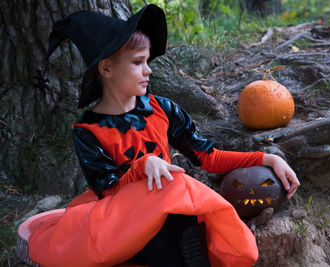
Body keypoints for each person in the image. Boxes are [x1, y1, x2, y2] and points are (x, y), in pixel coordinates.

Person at [28, 4, 299, 267]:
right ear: (106, 69)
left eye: (147, 61)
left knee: (180, 214)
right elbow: (106, 187)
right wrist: (142, 166)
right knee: (170, 217)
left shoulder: (163, 108)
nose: (149, 70)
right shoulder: (87, 130)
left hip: (169, 210)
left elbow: (208, 157)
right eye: (138, 62)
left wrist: (265, 159)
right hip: (121, 220)